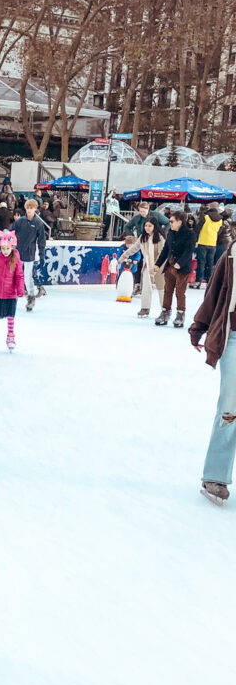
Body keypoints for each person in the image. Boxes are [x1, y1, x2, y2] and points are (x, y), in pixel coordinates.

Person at [189, 244, 236, 504]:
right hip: (234, 338)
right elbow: (214, 292)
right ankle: (215, 476)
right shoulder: (232, 255)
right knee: (231, 406)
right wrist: (199, 328)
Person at [155, 209, 196, 327]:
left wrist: (180, 263)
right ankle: (165, 311)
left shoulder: (190, 234)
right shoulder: (171, 233)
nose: (170, 223)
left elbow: (189, 251)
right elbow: (165, 250)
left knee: (180, 292)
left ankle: (180, 313)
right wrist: (158, 264)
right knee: (167, 291)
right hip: (170, 267)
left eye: (172, 221)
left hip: (182, 269)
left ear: (180, 222)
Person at [118, 218, 165, 318]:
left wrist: (157, 266)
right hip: (147, 265)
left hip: (159, 266)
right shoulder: (142, 237)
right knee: (146, 288)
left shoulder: (160, 238)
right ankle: (145, 308)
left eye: (150, 226)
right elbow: (133, 249)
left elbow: (163, 253)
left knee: (162, 289)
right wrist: (122, 257)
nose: (147, 228)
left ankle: (165, 309)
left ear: (154, 227)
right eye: (146, 226)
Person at [13, 199, 48, 311]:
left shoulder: (38, 223)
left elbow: (41, 241)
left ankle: (31, 297)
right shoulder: (20, 221)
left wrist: (42, 255)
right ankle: (12, 297)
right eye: (27, 208)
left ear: (35, 209)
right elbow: (10, 232)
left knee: (27, 277)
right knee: (15, 276)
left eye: (31, 208)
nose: (29, 210)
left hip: (29, 254)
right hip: (17, 253)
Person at [193, 203, 222, 289]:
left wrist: (195, 238)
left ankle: (198, 281)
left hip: (203, 242)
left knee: (201, 263)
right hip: (213, 243)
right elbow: (219, 231)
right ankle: (209, 282)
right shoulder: (220, 219)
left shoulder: (205, 217)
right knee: (210, 263)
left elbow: (198, 228)